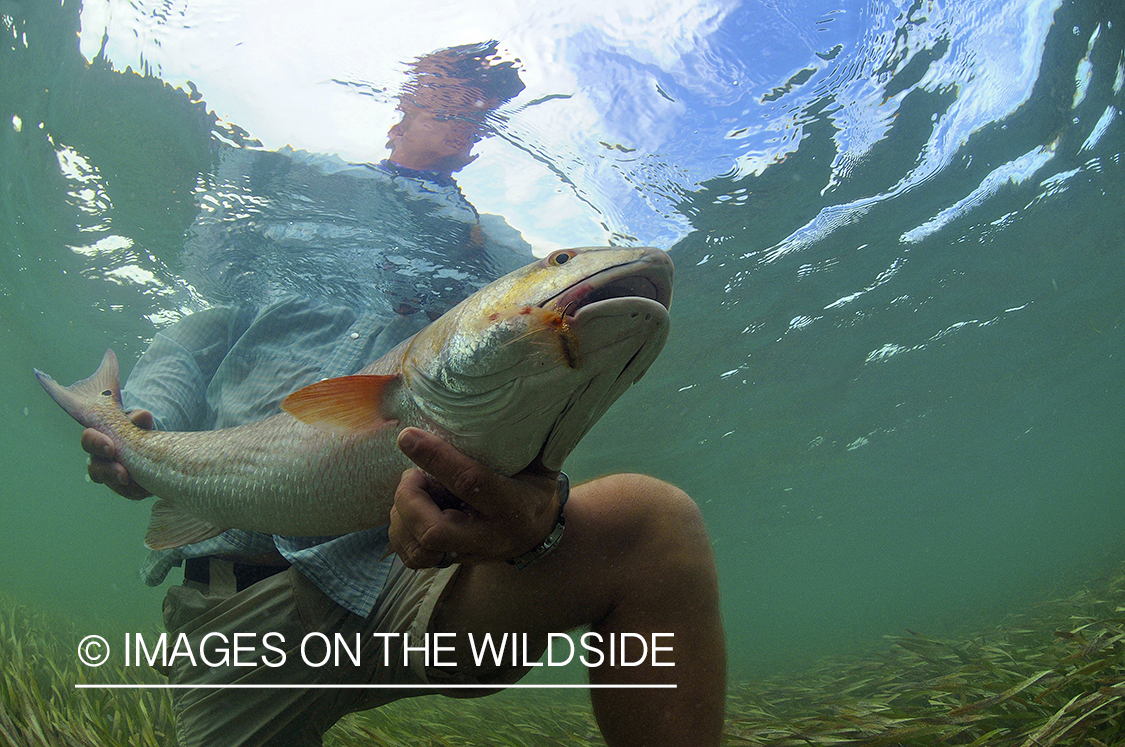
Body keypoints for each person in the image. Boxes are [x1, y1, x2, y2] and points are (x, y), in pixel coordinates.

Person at [82, 42, 726, 747]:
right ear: (400, 103)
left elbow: (530, 399)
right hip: (235, 605)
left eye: (486, 97)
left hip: (410, 575)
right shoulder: (295, 185)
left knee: (654, 525)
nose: (467, 106)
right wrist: (145, 417)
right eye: (450, 85)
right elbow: (200, 329)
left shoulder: (501, 250)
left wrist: (538, 503)